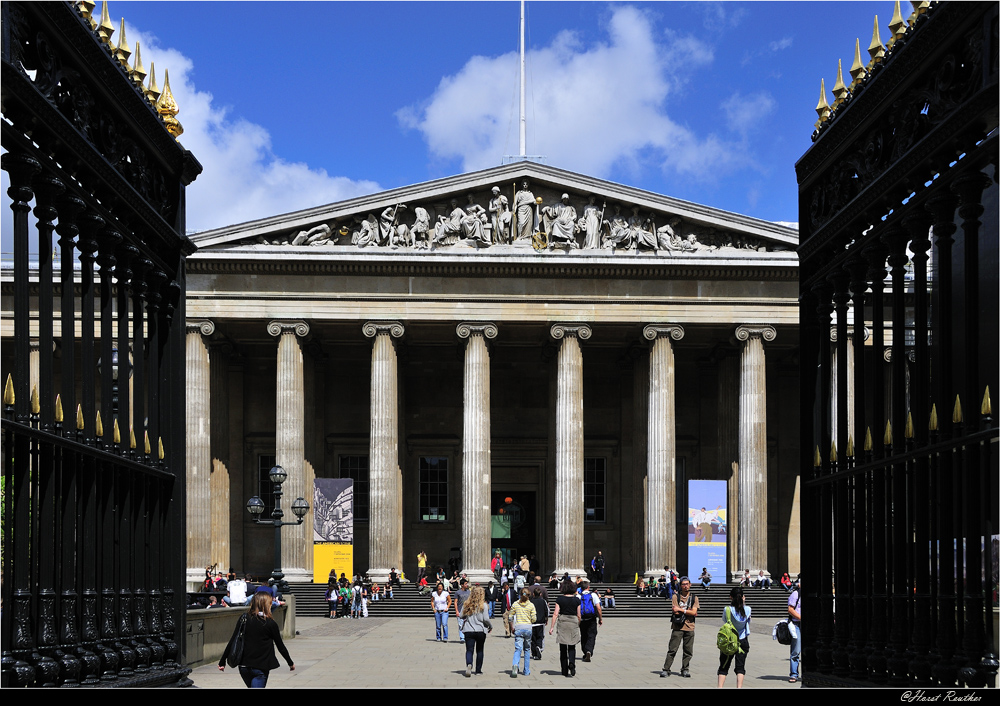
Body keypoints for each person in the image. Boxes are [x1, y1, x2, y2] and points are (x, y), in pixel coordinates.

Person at [218, 592, 295, 688]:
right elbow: (280, 646)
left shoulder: (244, 618)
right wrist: (290, 663)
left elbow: (233, 639)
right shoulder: (270, 623)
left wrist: (222, 661)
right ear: (267, 605)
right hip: (260, 667)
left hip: (243, 666)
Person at [661, 576, 699, 678]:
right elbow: (675, 611)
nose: (685, 586)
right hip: (677, 627)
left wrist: (682, 610)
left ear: (690, 585)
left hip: (690, 627)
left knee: (688, 651)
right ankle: (666, 669)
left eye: (687, 584)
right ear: (680, 585)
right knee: (672, 649)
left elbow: (694, 612)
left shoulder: (694, 597)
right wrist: (688, 611)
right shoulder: (675, 597)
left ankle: (685, 669)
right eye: (683, 584)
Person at [717, 587, 752, 688]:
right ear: (743, 597)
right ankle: (739, 687)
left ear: (730, 597)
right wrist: (743, 603)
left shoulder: (727, 609)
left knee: (724, 666)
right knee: (740, 667)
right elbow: (748, 621)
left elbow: (725, 621)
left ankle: (720, 687)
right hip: (742, 640)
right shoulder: (748, 609)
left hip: (729, 641)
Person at [549, 579, 581, 678]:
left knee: (563, 647)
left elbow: (555, 613)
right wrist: (578, 624)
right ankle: (572, 663)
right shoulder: (577, 600)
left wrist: (552, 627)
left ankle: (564, 670)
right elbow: (579, 614)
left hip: (563, 621)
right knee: (572, 645)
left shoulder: (559, 599)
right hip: (573, 621)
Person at [459, 586, 493, 677]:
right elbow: (486, 618)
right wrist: (490, 626)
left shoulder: (466, 604)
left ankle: (469, 664)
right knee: (480, 650)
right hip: (480, 630)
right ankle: (478, 670)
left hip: (468, 630)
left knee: (469, 650)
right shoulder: (484, 605)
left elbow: (461, 615)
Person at [508, 588, 537, 678]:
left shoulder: (516, 604)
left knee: (518, 649)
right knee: (527, 650)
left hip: (518, 628)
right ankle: (526, 670)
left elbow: (510, 616)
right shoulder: (531, 605)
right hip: (528, 628)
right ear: (529, 596)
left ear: (520, 595)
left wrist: (512, 627)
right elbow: (534, 619)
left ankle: (515, 665)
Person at [578, 579, 603, 662]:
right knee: (591, 635)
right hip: (591, 618)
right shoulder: (593, 595)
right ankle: (589, 650)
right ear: (588, 587)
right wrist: (600, 619)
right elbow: (599, 608)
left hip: (582, 619)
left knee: (584, 635)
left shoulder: (578, 596)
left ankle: (585, 651)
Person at [529, 586, 549, 660]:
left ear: (533, 594)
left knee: (533, 638)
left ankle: (534, 653)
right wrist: (546, 618)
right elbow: (546, 610)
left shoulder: (530, 602)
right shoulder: (543, 601)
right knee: (540, 636)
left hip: (532, 622)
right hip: (541, 622)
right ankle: (539, 646)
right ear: (540, 594)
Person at [788, 578, 802, 683]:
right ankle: (794, 674)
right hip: (797, 624)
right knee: (796, 651)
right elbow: (790, 609)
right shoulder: (795, 594)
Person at [454, 578, 471, 644]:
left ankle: (467, 637)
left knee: (468, 624)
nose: (467, 585)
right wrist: (456, 611)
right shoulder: (458, 592)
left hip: (468, 611)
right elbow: (455, 602)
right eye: (465, 584)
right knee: (461, 625)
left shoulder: (469, 592)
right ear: (462, 585)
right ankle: (462, 638)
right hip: (460, 610)